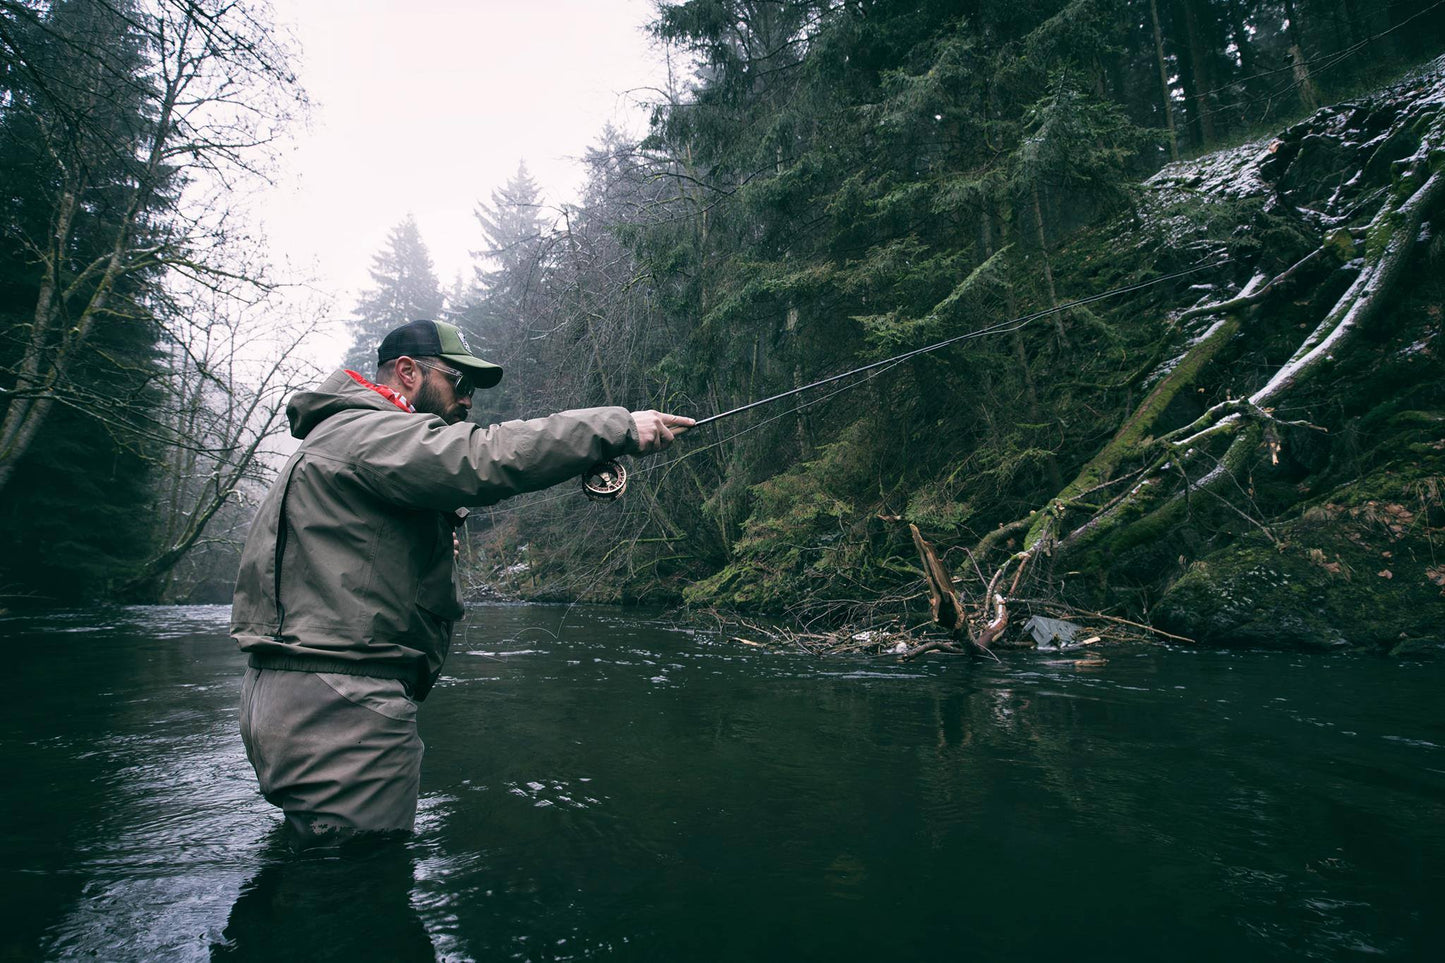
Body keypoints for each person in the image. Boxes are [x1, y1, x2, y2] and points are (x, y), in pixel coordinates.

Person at [230, 319, 693, 843]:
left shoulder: (348, 437)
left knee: (317, 878)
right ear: (407, 372)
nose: (468, 401)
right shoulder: (367, 430)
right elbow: (483, 458)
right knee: (353, 893)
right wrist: (617, 428)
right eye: (460, 383)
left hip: (307, 695)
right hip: (339, 704)